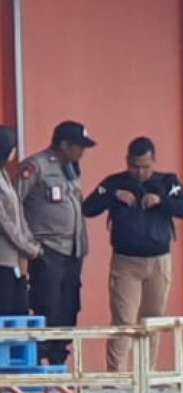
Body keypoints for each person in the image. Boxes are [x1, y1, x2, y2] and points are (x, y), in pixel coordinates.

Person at [83, 137, 183, 371]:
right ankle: (117, 375)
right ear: (127, 162)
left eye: (145, 166)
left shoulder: (168, 181)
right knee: (124, 320)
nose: (139, 172)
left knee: (152, 320)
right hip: (126, 261)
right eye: (134, 166)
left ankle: (147, 372)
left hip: (158, 260)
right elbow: (88, 208)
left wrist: (161, 201)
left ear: (154, 161)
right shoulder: (115, 183)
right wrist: (112, 196)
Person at [19, 120, 94, 366]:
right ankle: (42, 358)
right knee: (46, 305)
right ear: (64, 145)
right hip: (48, 250)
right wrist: (28, 243)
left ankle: (59, 358)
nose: (82, 152)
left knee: (69, 307)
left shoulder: (71, 169)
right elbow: (12, 204)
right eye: (79, 146)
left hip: (73, 251)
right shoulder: (36, 166)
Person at [0, 126, 42, 316]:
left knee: (19, 312)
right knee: (5, 312)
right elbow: (4, 222)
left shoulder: (5, 176)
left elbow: (18, 214)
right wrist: (26, 247)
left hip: (14, 260)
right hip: (3, 259)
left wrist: (29, 241)